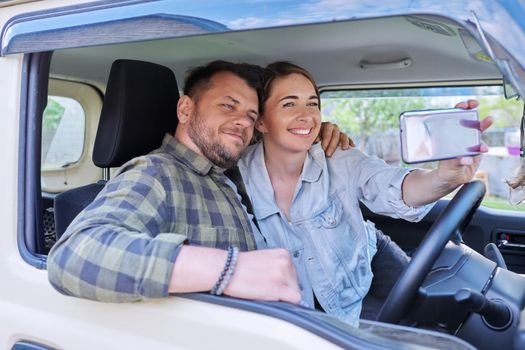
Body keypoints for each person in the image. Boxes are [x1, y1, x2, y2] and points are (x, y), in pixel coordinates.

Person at [47, 60, 349, 304]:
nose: (242, 121)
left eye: (251, 114)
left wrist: (312, 132)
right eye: (228, 106)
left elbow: (279, 140)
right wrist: (229, 269)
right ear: (185, 109)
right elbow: (74, 256)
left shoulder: (233, 169)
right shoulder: (156, 173)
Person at [237, 61, 493, 326]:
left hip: (369, 259)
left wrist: (443, 178)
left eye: (312, 104)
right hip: (306, 310)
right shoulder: (235, 179)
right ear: (262, 121)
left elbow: (393, 186)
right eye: (289, 104)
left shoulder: (338, 157)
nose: (307, 116)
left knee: (426, 320)